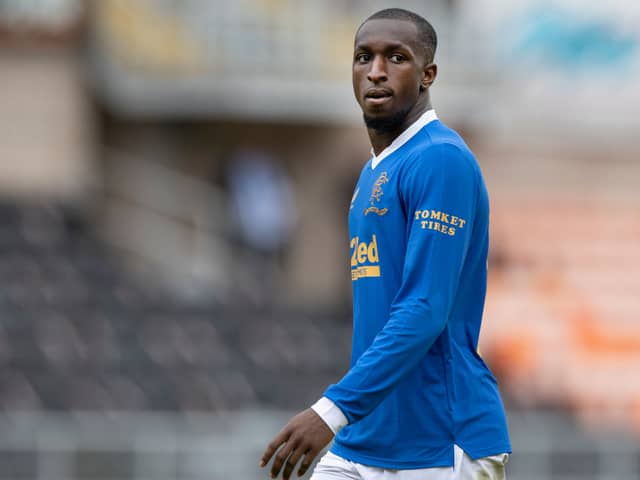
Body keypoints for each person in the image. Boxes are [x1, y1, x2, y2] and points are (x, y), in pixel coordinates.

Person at [260, 8, 511, 480]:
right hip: (366, 436)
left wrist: (331, 410)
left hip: (439, 442)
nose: (376, 70)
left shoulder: (440, 160)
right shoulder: (373, 172)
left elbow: (424, 308)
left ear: (428, 74)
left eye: (396, 57)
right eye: (363, 57)